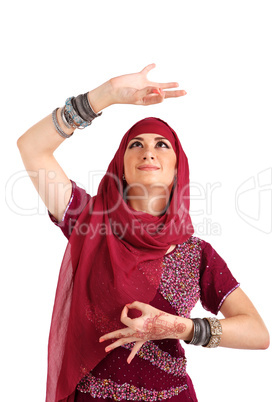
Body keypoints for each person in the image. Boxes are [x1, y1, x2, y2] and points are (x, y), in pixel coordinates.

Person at [17, 64, 270, 402]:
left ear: (178, 166)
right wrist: (104, 96)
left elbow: (258, 332)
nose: (148, 150)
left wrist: (180, 327)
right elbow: (32, 148)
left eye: (162, 145)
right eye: (135, 143)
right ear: (120, 163)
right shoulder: (89, 222)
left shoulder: (196, 253)